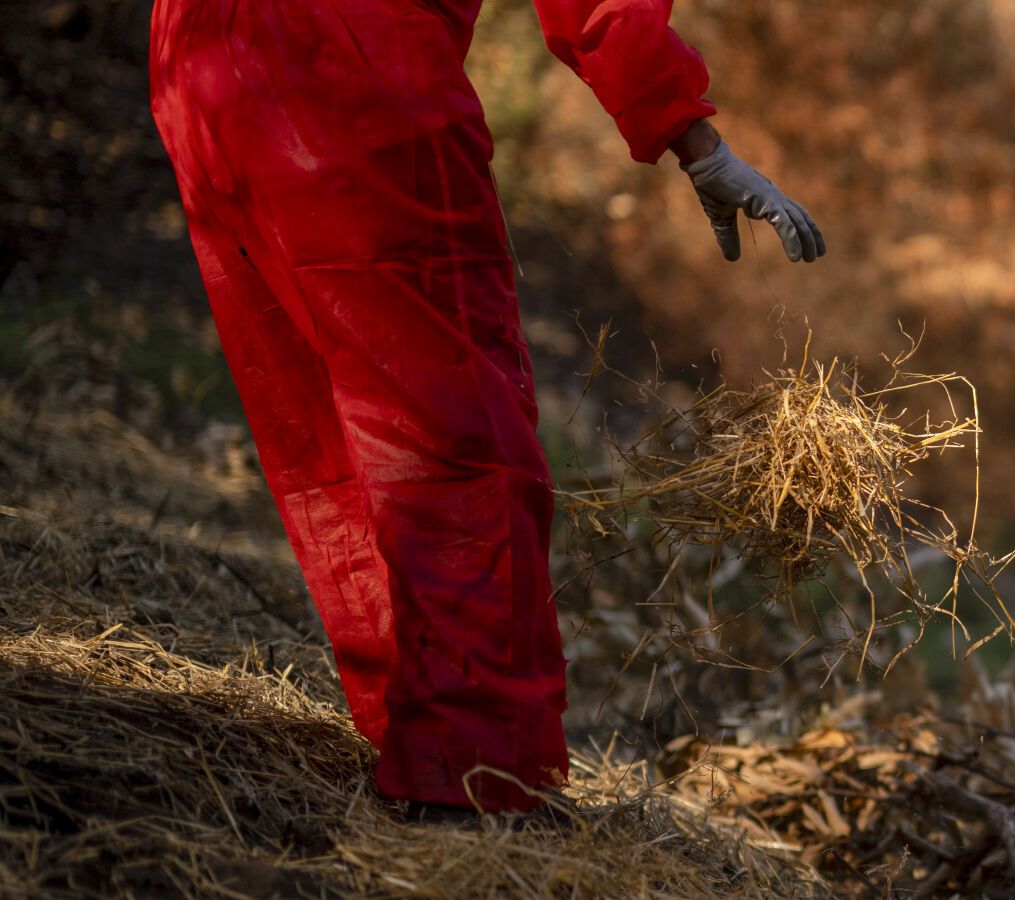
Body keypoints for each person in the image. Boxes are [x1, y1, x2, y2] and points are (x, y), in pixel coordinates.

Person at [149, 0, 823, 813]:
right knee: (458, 438)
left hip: (195, 64)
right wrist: (691, 134)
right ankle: (470, 785)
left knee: (338, 420)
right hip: (349, 66)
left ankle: (420, 737)